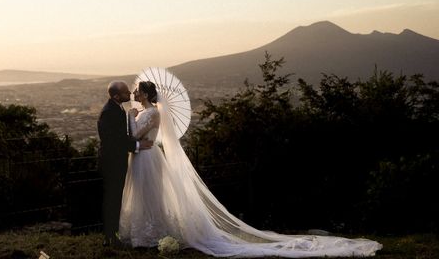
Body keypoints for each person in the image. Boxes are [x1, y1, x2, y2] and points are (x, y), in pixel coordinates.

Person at [119, 80, 382, 257]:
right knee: (145, 195)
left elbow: (138, 134)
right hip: (142, 156)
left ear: (146, 94)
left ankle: (151, 234)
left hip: (148, 157)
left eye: (138, 91)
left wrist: (130, 118)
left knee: (151, 194)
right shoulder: (144, 110)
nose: (135, 94)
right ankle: (144, 233)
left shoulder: (151, 113)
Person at [97, 80, 152, 247]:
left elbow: (121, 136)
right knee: (112, 199)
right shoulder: (109, 112)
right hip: (112, 163)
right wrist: (136, 145)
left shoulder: (117, 109)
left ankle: (112, 235)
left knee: (115, 198)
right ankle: (109, 237)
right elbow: (112, 141)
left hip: (116, 161)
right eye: (126, 92)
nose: (130, 94)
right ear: (116, 96)